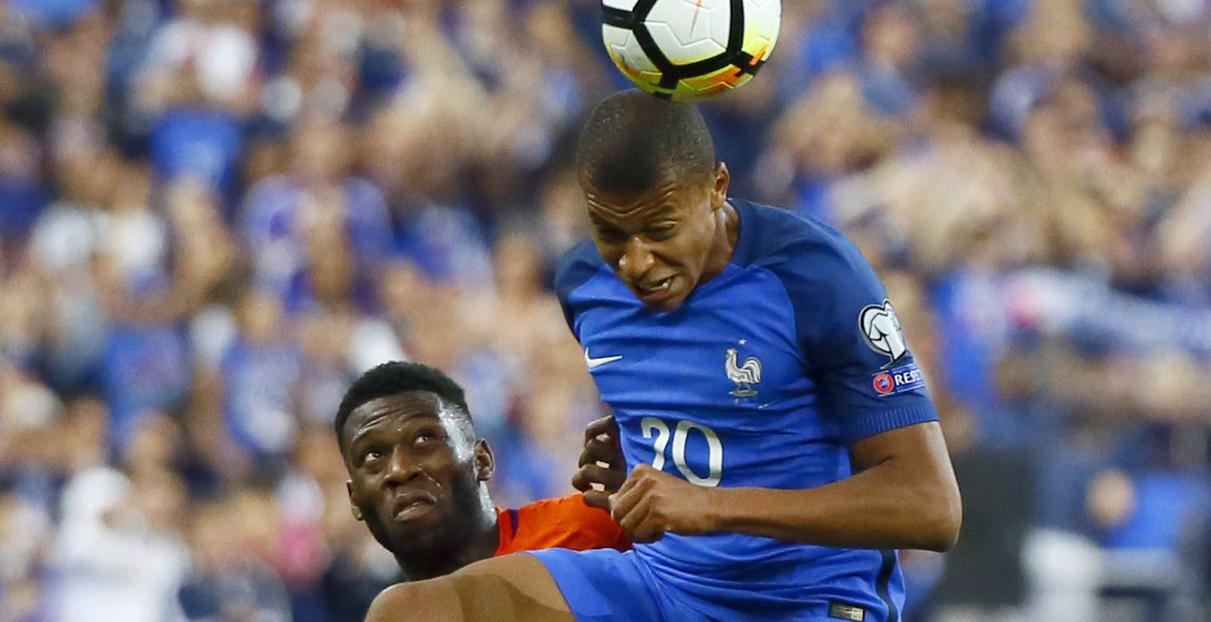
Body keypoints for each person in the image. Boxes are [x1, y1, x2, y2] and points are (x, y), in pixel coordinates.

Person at [365, 90, 962, 621]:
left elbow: (929, 508)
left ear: (717, 189)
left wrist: (711, 504)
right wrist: (636, 462)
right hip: (661, 585)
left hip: (805, 600)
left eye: (660, 229)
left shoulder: (813, 275)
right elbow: (704, 423)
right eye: (612, 233)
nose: (636, 262)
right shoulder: (583, 287)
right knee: (413, 611)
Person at [334, 360, 628, 582]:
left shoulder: (596, 528)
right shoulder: (391, 613)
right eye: (373, 455)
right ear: (355, 499)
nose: (399, 470)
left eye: (424, 440)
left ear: (482, 460)